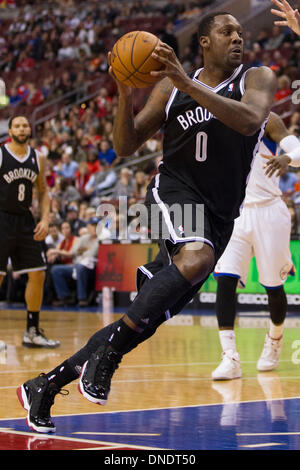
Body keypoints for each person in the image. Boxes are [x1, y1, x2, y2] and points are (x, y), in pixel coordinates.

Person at [17, 12, 277, 433]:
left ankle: (45, 385)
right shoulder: (169, 89)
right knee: (195, 259)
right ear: (205, 43)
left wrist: (186, 83)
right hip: (172, 193)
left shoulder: (255, 78)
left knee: (143, 320)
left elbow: (249, 121)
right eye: (226, 32)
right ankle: (109, 357)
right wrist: (123, 93)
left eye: (241, 33)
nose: (237, 38)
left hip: (219, 217)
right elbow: (125, 144)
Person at [212, 111, 300, 380]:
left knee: (273, 287)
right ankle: (229, 357)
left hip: (269, 212)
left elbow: (296, 148)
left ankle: (274, 340)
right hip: (233, 214)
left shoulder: (268, 120)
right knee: (225, 279)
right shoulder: (217, 117)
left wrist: (287, 158)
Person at [0, 115, 60, 348]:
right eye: (17, 125)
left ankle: (32, 332)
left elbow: (43, 191)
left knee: (38, 273)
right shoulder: (2, 154)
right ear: (10, 129)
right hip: (2, 217)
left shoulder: (38, 157)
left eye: (25, 125)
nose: (22, 128)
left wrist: (45, 219)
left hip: (25, 220)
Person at [49, 217, 99, 307]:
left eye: (97, 226)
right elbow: (73, 252)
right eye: (93, 226)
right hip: (77, 265)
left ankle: (82, 299)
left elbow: (92, 254)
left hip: (92, 268)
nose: (95, 228)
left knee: (80, 267)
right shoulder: (84, 238)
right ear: (88, 227)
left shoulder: (100, 239)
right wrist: (85, 251)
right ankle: (65, 297)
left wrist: (82, 251)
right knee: (55, 270)